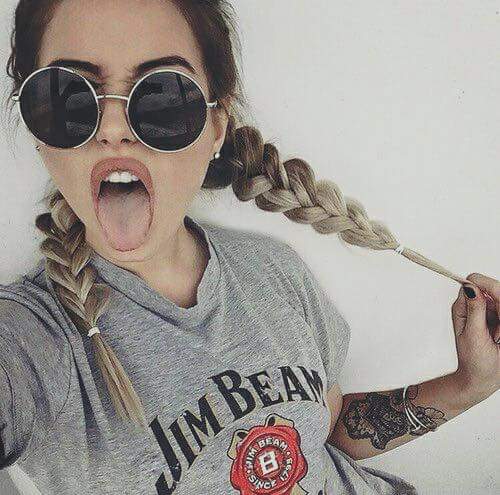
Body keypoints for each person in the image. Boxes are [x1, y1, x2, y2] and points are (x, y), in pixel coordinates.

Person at [1, 1, 498, 494]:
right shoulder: (32, 342)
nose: (113, 130)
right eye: (68, 97)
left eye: (163, 99)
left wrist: (470, 384)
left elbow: (320, 433)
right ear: (35, 127)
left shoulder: (273, 270)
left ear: (216, 128)